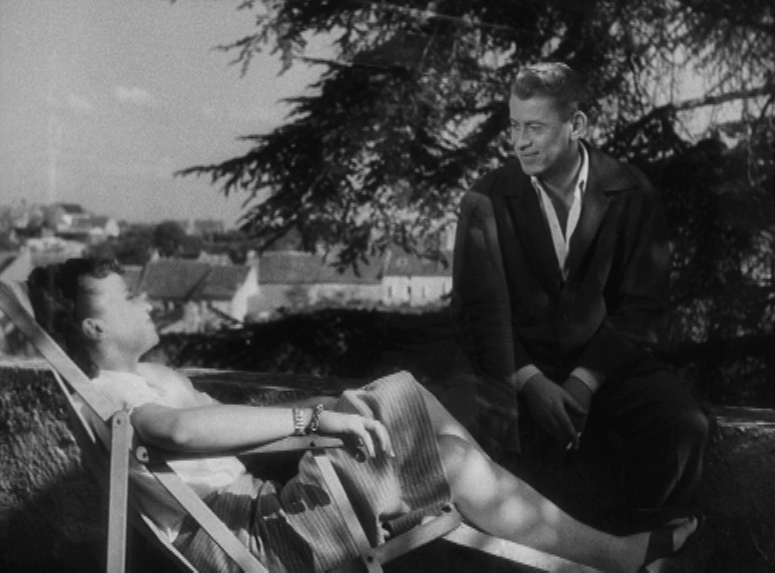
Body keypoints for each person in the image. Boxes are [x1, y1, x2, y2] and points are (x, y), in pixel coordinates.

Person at [27, 257, 702, 573]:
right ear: (92, 327)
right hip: (257, 542)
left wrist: (329, 412)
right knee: (411, 408)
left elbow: (225, 433)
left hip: (269, 508)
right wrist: (312, 421)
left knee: (440, 444)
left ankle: (601, 553)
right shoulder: (112, 396)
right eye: (127, 297)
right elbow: (178, 431)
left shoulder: (151, 377)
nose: (146, 299)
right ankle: (612, 553)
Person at [451, 62, 709, 512]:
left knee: (684, 426)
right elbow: (476, 314)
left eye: (535, 127)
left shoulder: (632, 192)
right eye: (513, 126)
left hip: (608, 372)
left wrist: (585, 381)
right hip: (517, 372)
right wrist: (532, 382)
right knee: (465, 430)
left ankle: (639, 541)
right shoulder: (485, 198)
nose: (519, 142)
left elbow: (643, 307)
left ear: (578, 125)